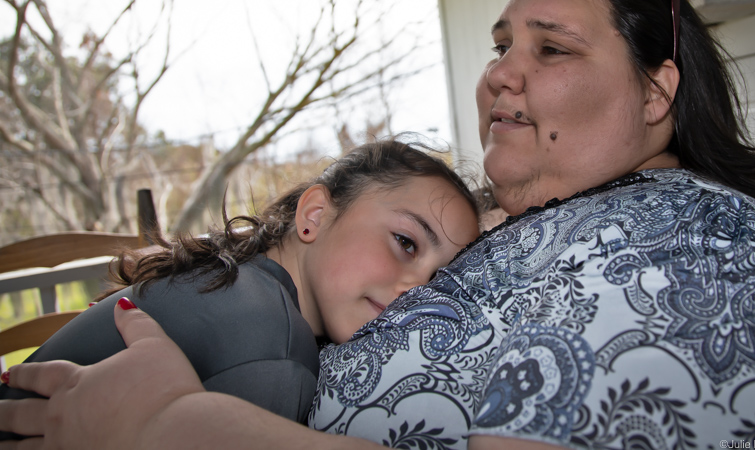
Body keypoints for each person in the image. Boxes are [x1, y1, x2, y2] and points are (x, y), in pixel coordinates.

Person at [2, 0, 755, 449]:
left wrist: (166, 426)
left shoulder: (699, 245)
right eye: (500, 46)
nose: (499, 71)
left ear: (656, 92)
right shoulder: (560, 213)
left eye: (551, 48)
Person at [0, 140, 479, 431]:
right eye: (406, 242)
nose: (417, 290)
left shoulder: (231, 279)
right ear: (315, 215)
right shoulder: (273, 350)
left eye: (438, 282)